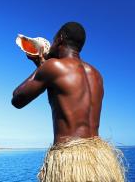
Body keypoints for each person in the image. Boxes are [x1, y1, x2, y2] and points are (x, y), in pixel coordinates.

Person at [11, 22, 126, 182]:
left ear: (60, 38)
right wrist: (44, 67)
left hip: (70, 163)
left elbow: (17, 99)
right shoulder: (96, 74)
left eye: (53, 38)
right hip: (101, 161)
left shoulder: (53, 67)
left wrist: (40, 67)